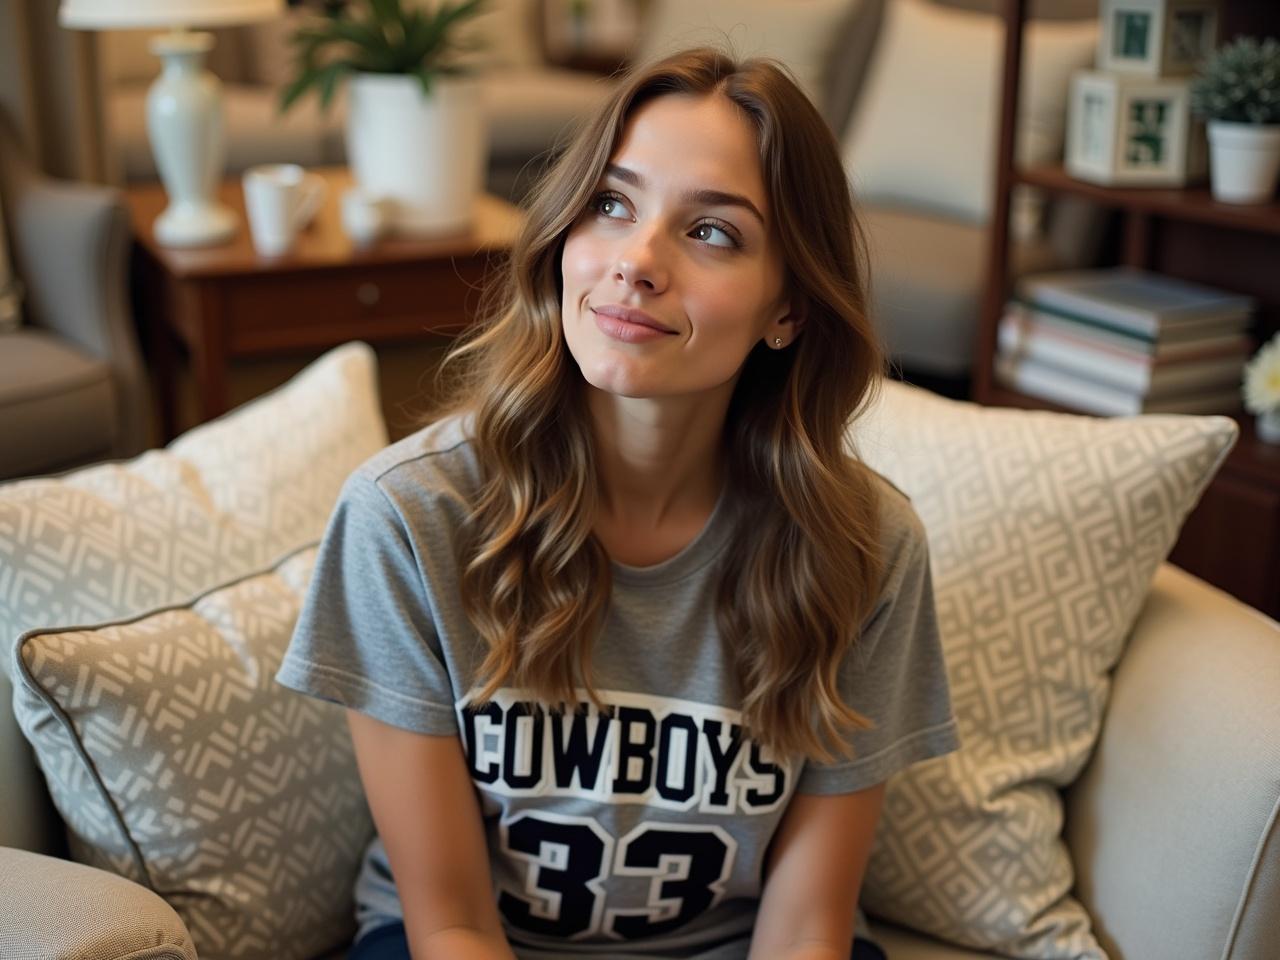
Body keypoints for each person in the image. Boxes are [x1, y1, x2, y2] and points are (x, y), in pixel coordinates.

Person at [275, 46, 960, 960]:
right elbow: (451, 923)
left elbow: (805, 926)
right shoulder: (408, 519)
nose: (636, 261)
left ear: (787, 310)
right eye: (611, 203)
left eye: (712, 232)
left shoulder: (867, 547)